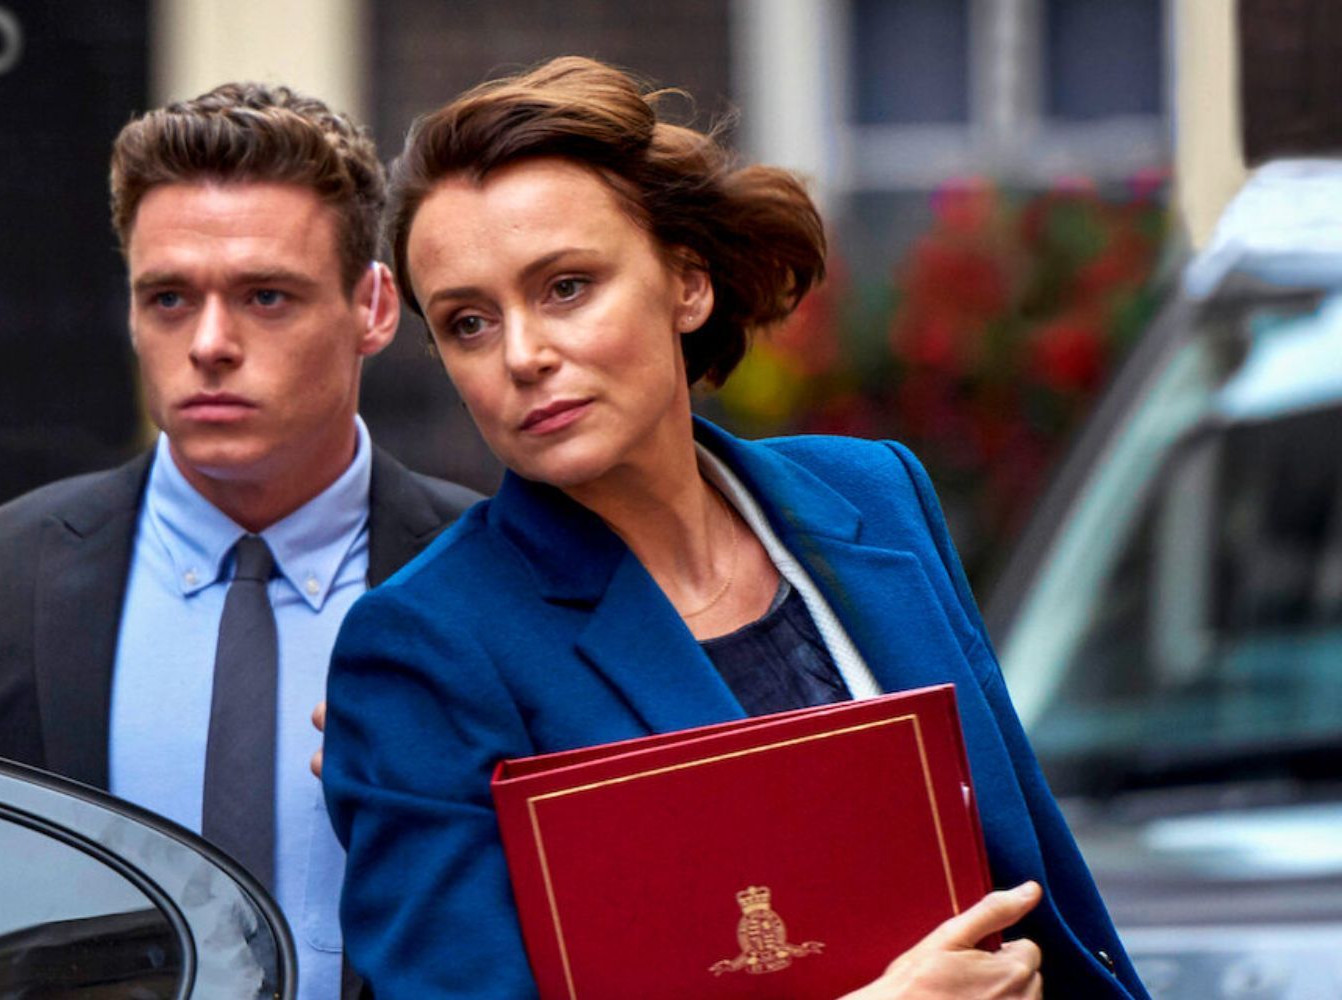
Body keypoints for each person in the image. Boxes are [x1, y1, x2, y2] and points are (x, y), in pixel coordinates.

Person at [320, 56, 1149, 999]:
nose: (523, 354)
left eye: (566, 287)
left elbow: (1040, 876)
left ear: (687, 284)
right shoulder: (426, 648)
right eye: (469, 322)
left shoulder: (875, 496)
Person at [0, 82, 479, 1000]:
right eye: (170, 298)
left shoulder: (490, 578)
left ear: (374, 307)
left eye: (267, 296)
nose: (211, 342)